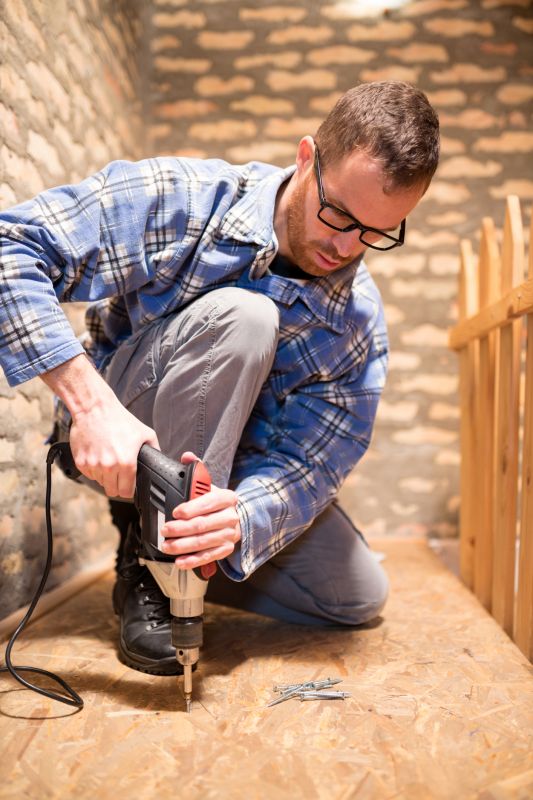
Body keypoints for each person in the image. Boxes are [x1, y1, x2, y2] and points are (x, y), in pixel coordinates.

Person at [0, 81, 440, 675]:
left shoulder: (356, 324)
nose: (345, 245)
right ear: (307, 158)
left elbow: (316, 458)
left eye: (376, 234)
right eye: (338, 214)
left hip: (231, 473)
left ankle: (175, 547)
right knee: (248, 315)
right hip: (125, 428)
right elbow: (11, 248)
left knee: (355, 595)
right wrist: (90, 405)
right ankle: (158, 563)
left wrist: (242, 518)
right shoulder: (187, 198)